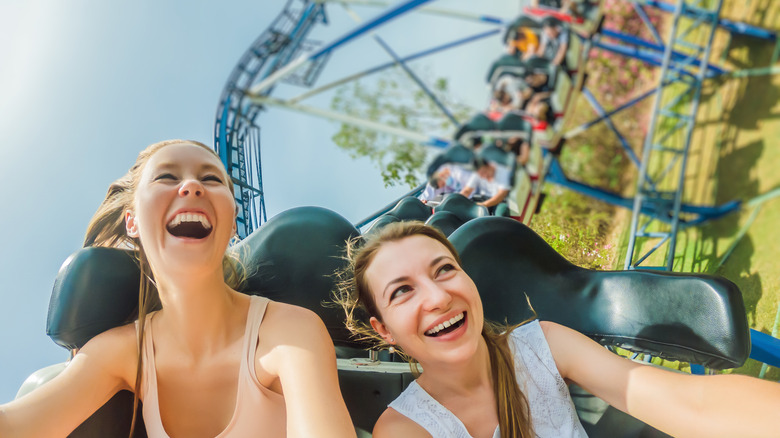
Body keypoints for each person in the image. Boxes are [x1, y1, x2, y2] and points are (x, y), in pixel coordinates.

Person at [0, 140, 356, 438]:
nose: (191, 187)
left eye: (211, 179)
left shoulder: (289, 332)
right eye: (167, 177)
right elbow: (18, 426)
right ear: (132, 221)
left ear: (232, 222)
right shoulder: (123, 351)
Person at [335, 222, 780, 438]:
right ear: (383, 330)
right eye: (402, 292)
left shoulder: (542, 344)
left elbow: (689, 402)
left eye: (444, 269)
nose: (436, 297)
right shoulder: (404, 430)